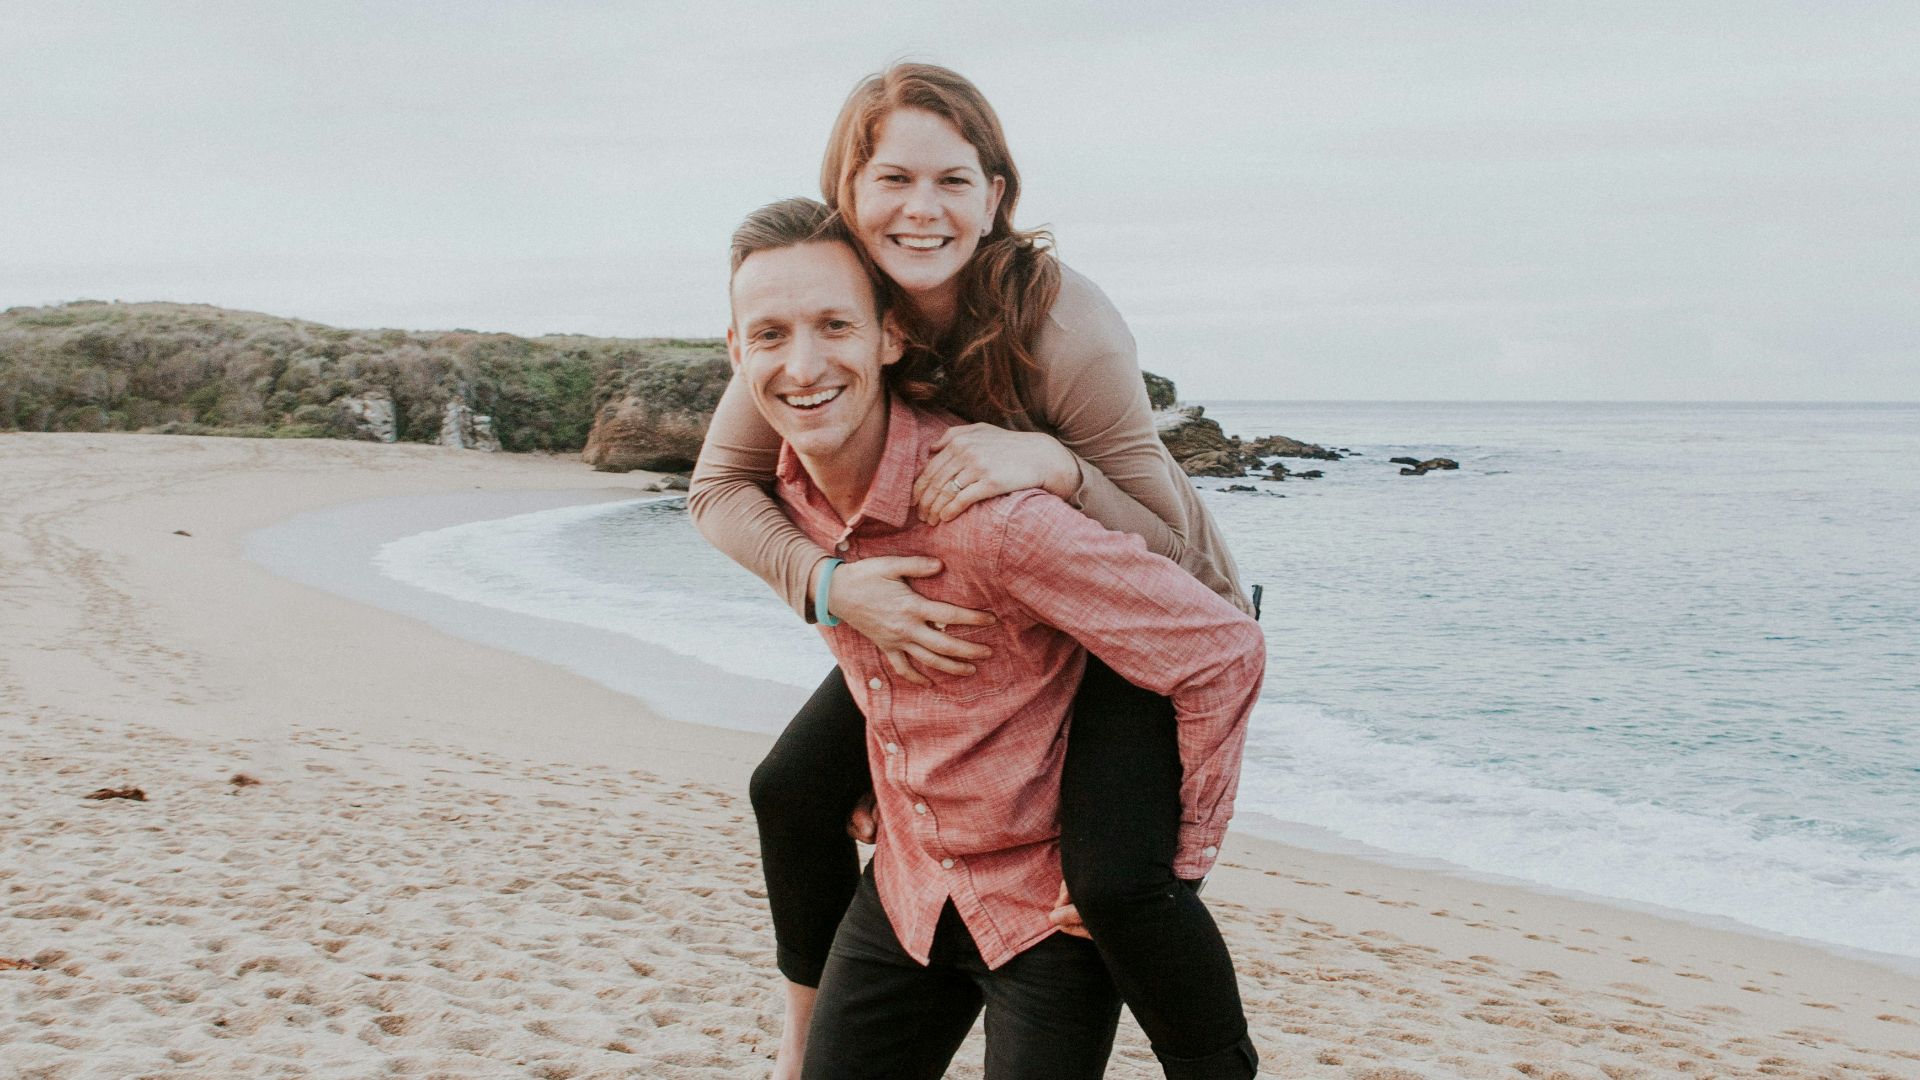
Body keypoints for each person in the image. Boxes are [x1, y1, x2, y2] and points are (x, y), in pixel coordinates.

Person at [693, 65, 1262, 1079]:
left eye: (954, 180)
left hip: (1142, 600)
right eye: (893, 180)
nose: (922, 210)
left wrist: (1055, 466)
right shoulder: (821, 311)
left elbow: (1168, 560)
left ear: (996, 195)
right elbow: (722, 491)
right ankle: (805, 1036)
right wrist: (833, 586)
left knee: (1116, 884)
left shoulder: (1062, 324)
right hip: (1002, 592)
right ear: (847, 192)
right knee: (792, 790)